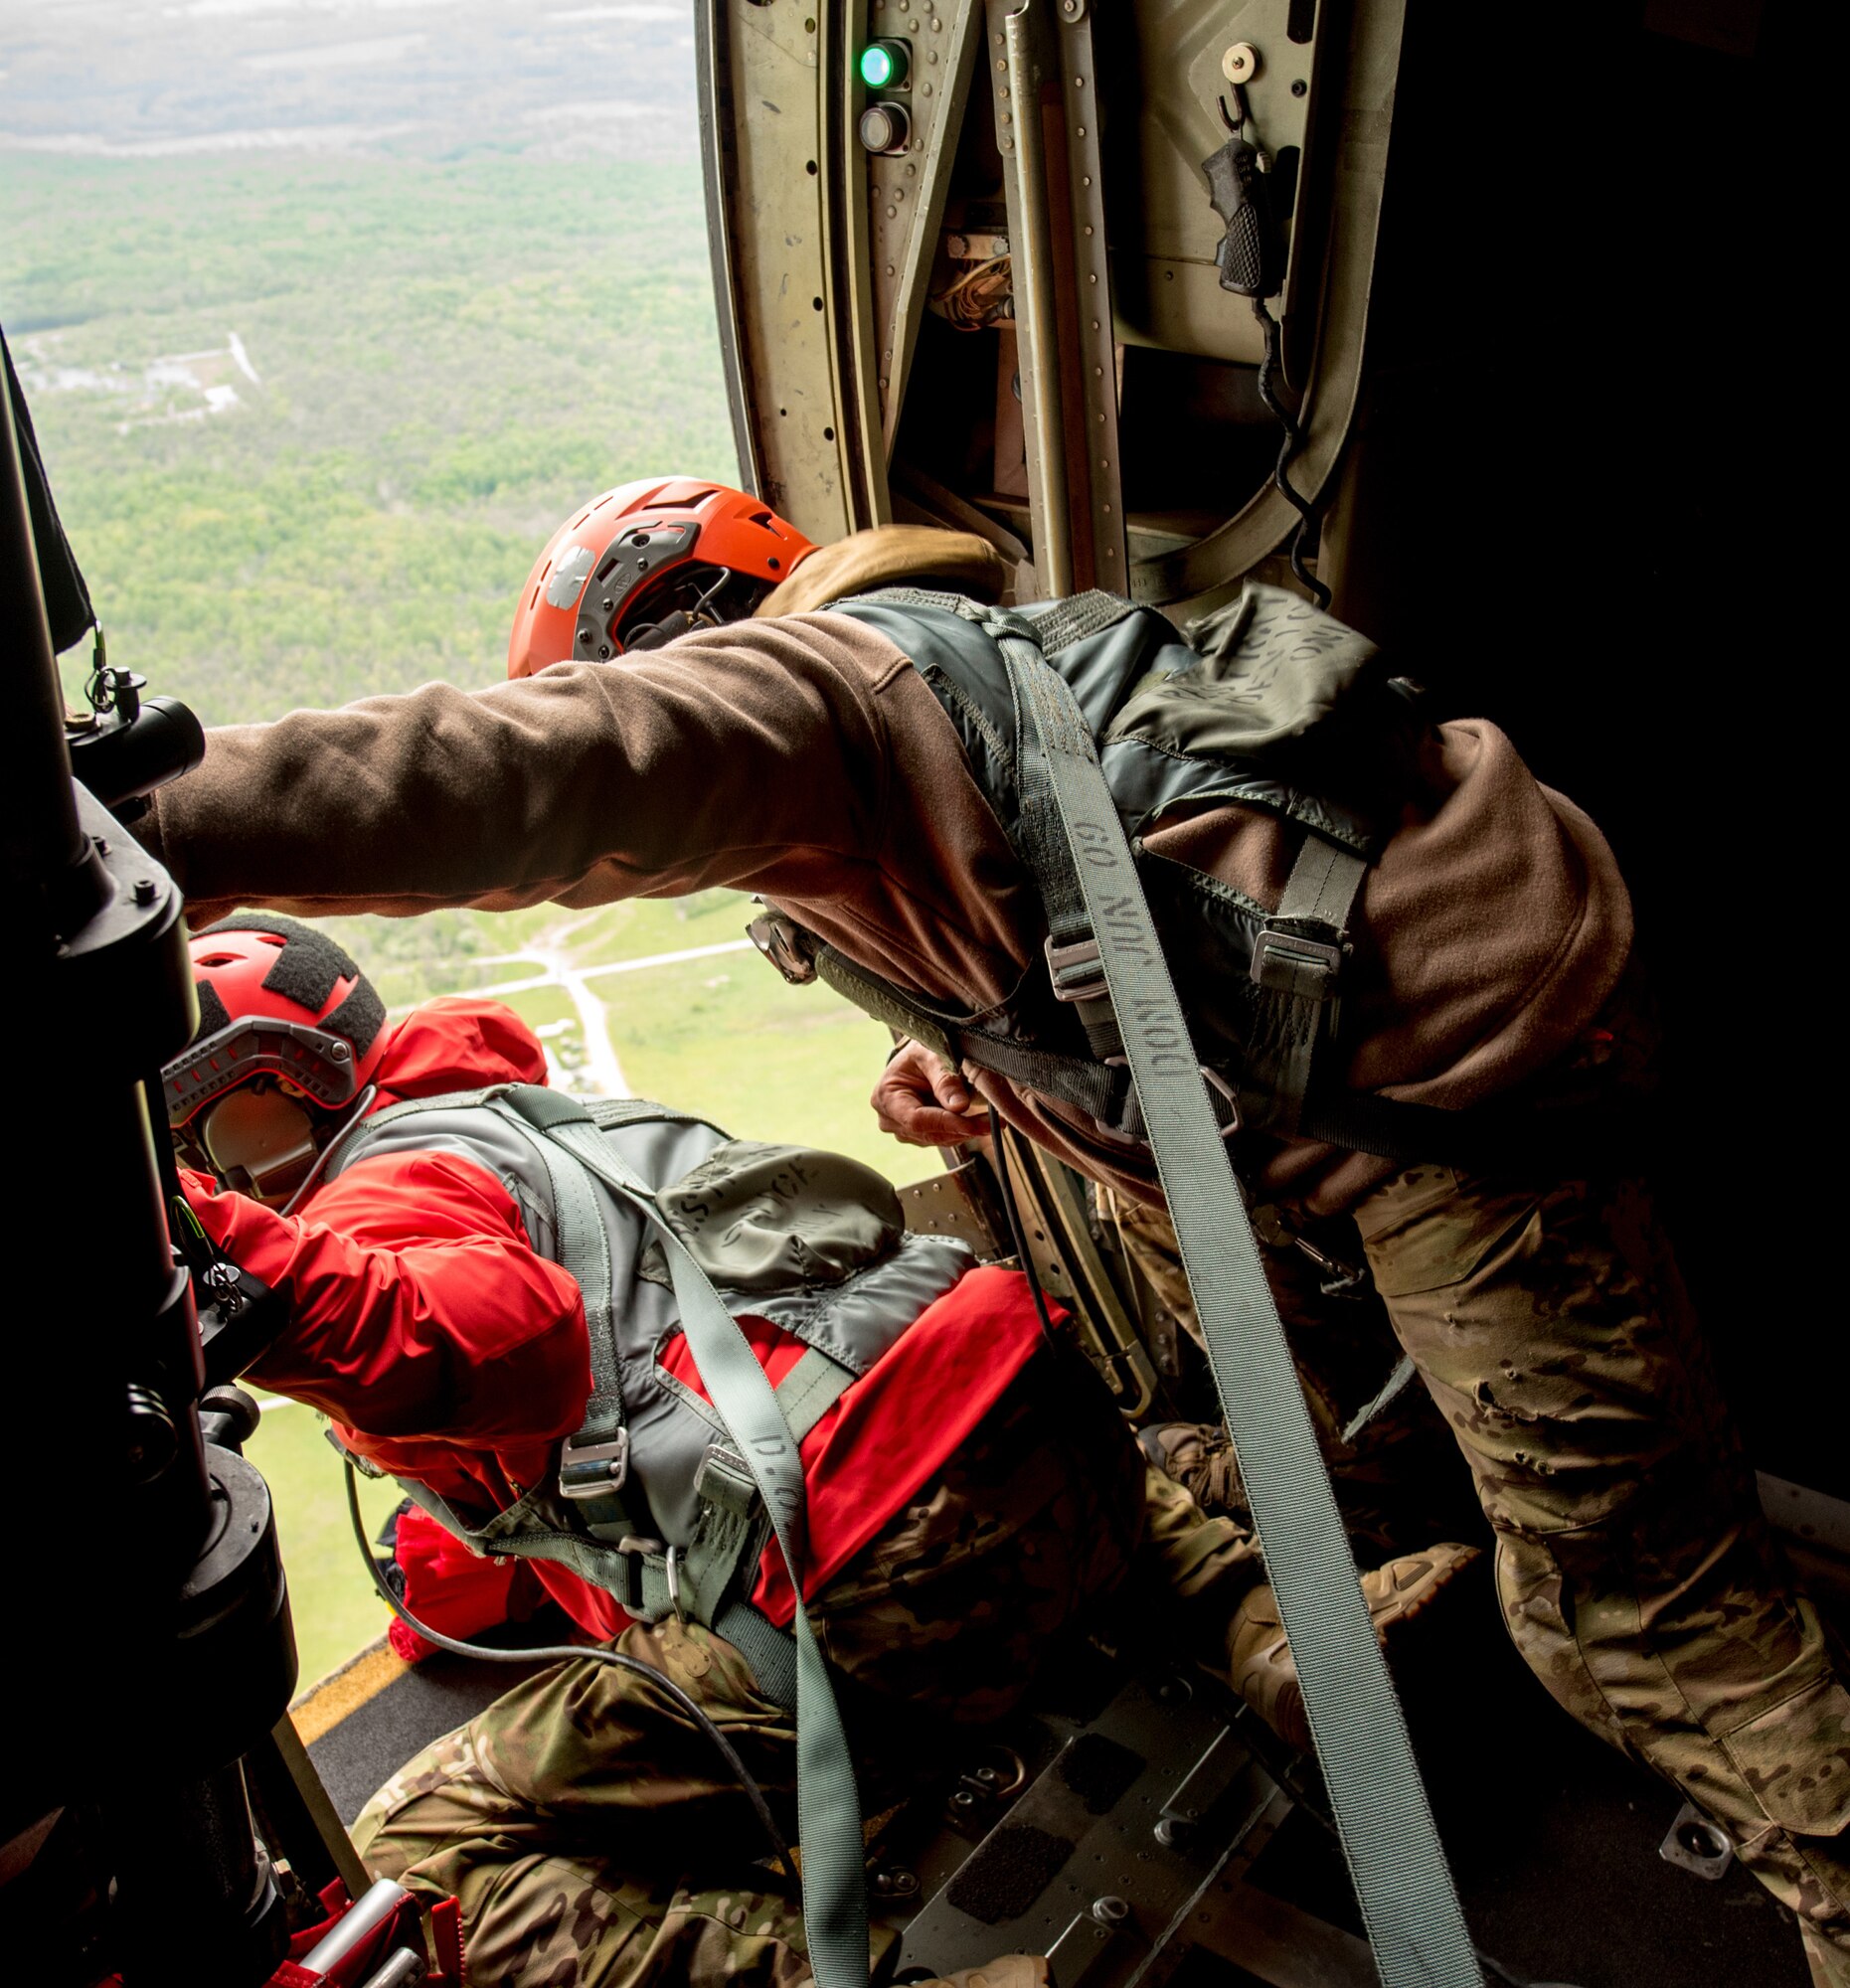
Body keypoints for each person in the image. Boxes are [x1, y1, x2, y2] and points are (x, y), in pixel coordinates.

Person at [136, 486, 1849, 1981]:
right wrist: (984, 1083)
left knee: (1644, 1624)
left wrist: (149, 826)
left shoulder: (797, 694)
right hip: (1417, 1062)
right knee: (1228, 1453)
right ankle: (1293, 1632)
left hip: (1440, 1104)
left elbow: (493, 781)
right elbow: (1124, 933)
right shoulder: (953, 660)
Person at [167, 917, 1472, 1987]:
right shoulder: (546, 1119)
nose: (202, 1165)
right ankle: (1266, 1627)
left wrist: (241, 1270)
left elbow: (503, 1342)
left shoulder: (372, 1201)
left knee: (411, 1857)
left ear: (276, 1098)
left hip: (870, 1586)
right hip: (1044, 1423)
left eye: (202, 1141)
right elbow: (548, 1465)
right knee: (1016, 1434)